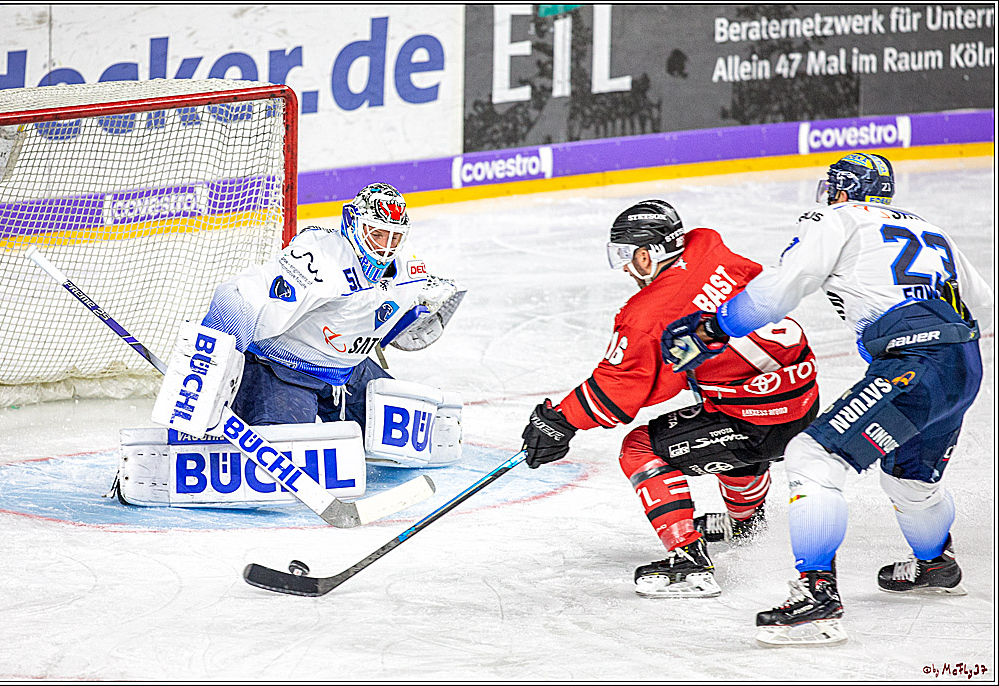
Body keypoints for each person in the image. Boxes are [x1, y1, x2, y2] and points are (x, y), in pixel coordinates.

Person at [661, 152, 992, 645]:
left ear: (841, 190)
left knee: (813, 457)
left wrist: (715, 327)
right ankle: (934, 564)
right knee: (909, 480)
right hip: (962, 363)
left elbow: (780, 289)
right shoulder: (929, 228)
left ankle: (817, 599)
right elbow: (983, 303)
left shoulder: (838, 218)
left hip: (915, 362)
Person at [520, 200, 821, 598]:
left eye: (629, 256)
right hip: (802, 398)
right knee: (717, 423)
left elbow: (616, 394)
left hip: (761, 421)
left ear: (648, 254)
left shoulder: (648, 314)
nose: (626, 268)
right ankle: (746, 523)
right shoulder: (708, 246)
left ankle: (689, 562)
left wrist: (560, 421)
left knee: (640, 448)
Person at [181, 182, 464, 467]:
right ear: (352, 222)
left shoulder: (408, 268)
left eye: (395, 237)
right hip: (280, 371)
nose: (386, 247)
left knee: (425, 440)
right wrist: (205, 377)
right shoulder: (318, 259)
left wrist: (411, 317)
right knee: (281, 459)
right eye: (377, 234)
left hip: (349, 372)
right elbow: (236, 297)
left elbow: (382, 314)